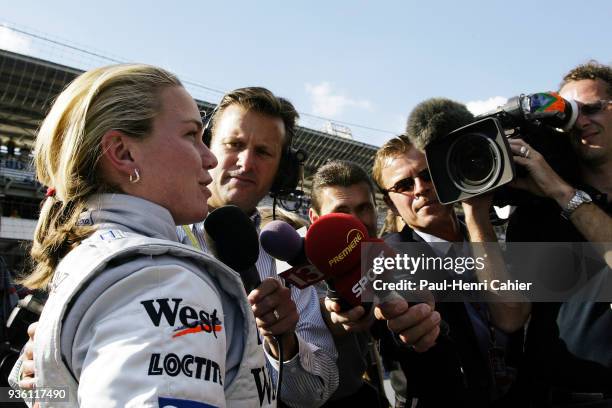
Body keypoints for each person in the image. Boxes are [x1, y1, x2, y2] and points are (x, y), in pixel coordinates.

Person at [13, 64, 275, 407]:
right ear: (123, 153)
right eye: (190, 135)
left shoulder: (98, 256)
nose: (209, 157)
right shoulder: (163, 278)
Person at [178, 87, 339, 407]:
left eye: (264, 152)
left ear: (282, 171)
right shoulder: (159, 233)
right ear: (206, 147)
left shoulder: (286, 258)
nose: (246, 162)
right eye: (234, 144)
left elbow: (316, 393)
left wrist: (285, 343)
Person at [369, 98, 530, 407]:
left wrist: (476, 213)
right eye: (404, 184)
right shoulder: (389, 255)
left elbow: (514, 315)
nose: (420, 188)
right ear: (390, 204)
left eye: (428, 175)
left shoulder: (486, 233)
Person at [506, 61, 612, 403]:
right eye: (567, 114)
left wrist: (562, 192)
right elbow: (511, 317)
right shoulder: (536, 208)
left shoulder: (555, 193)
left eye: (592, 109)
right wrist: (476, 209)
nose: (581, 121)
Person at [307, 160, 387, 407]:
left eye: (364, 208)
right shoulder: (294, 265)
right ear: (314, 218)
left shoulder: (383, 255)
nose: (356, 223)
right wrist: (334, 313)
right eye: (341, 211)